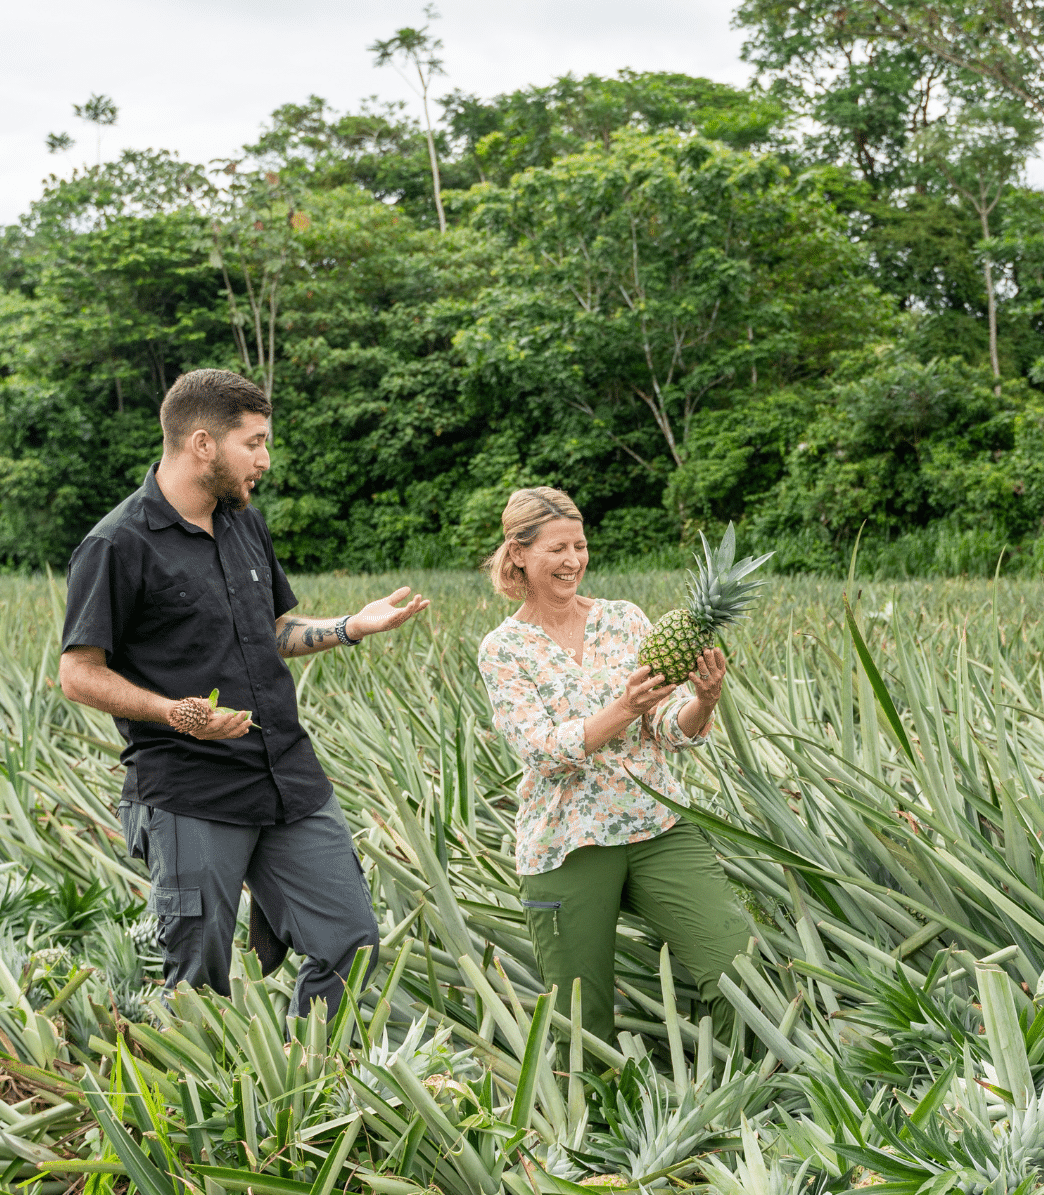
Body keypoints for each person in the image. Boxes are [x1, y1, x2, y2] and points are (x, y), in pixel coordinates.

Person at [58, 368, 429, 1017]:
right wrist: (175, 713)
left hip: (287, 775)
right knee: (198, 977)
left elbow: (275, 630)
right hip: (191, 788)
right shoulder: (117, 543)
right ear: (203, 444)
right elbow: (78, 673)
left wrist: (351, 626)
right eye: (253, 443)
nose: (265, 459)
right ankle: (208, 1082)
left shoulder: (244, 525)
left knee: (351, 942)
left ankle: (303, 1064)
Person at [475, 486, 748, 1045]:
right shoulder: (504, 648)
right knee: (582, 1019)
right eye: (557, 548)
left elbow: (667, 726)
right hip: (566, 840)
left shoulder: (625, 619)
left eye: (579, 545)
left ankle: (738, 1086)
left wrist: (704, 701)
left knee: (738, 967)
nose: (573, 560)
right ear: (519, 553)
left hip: (656, 823)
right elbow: (540, 751)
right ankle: (592, 1102)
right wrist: (623, 708)